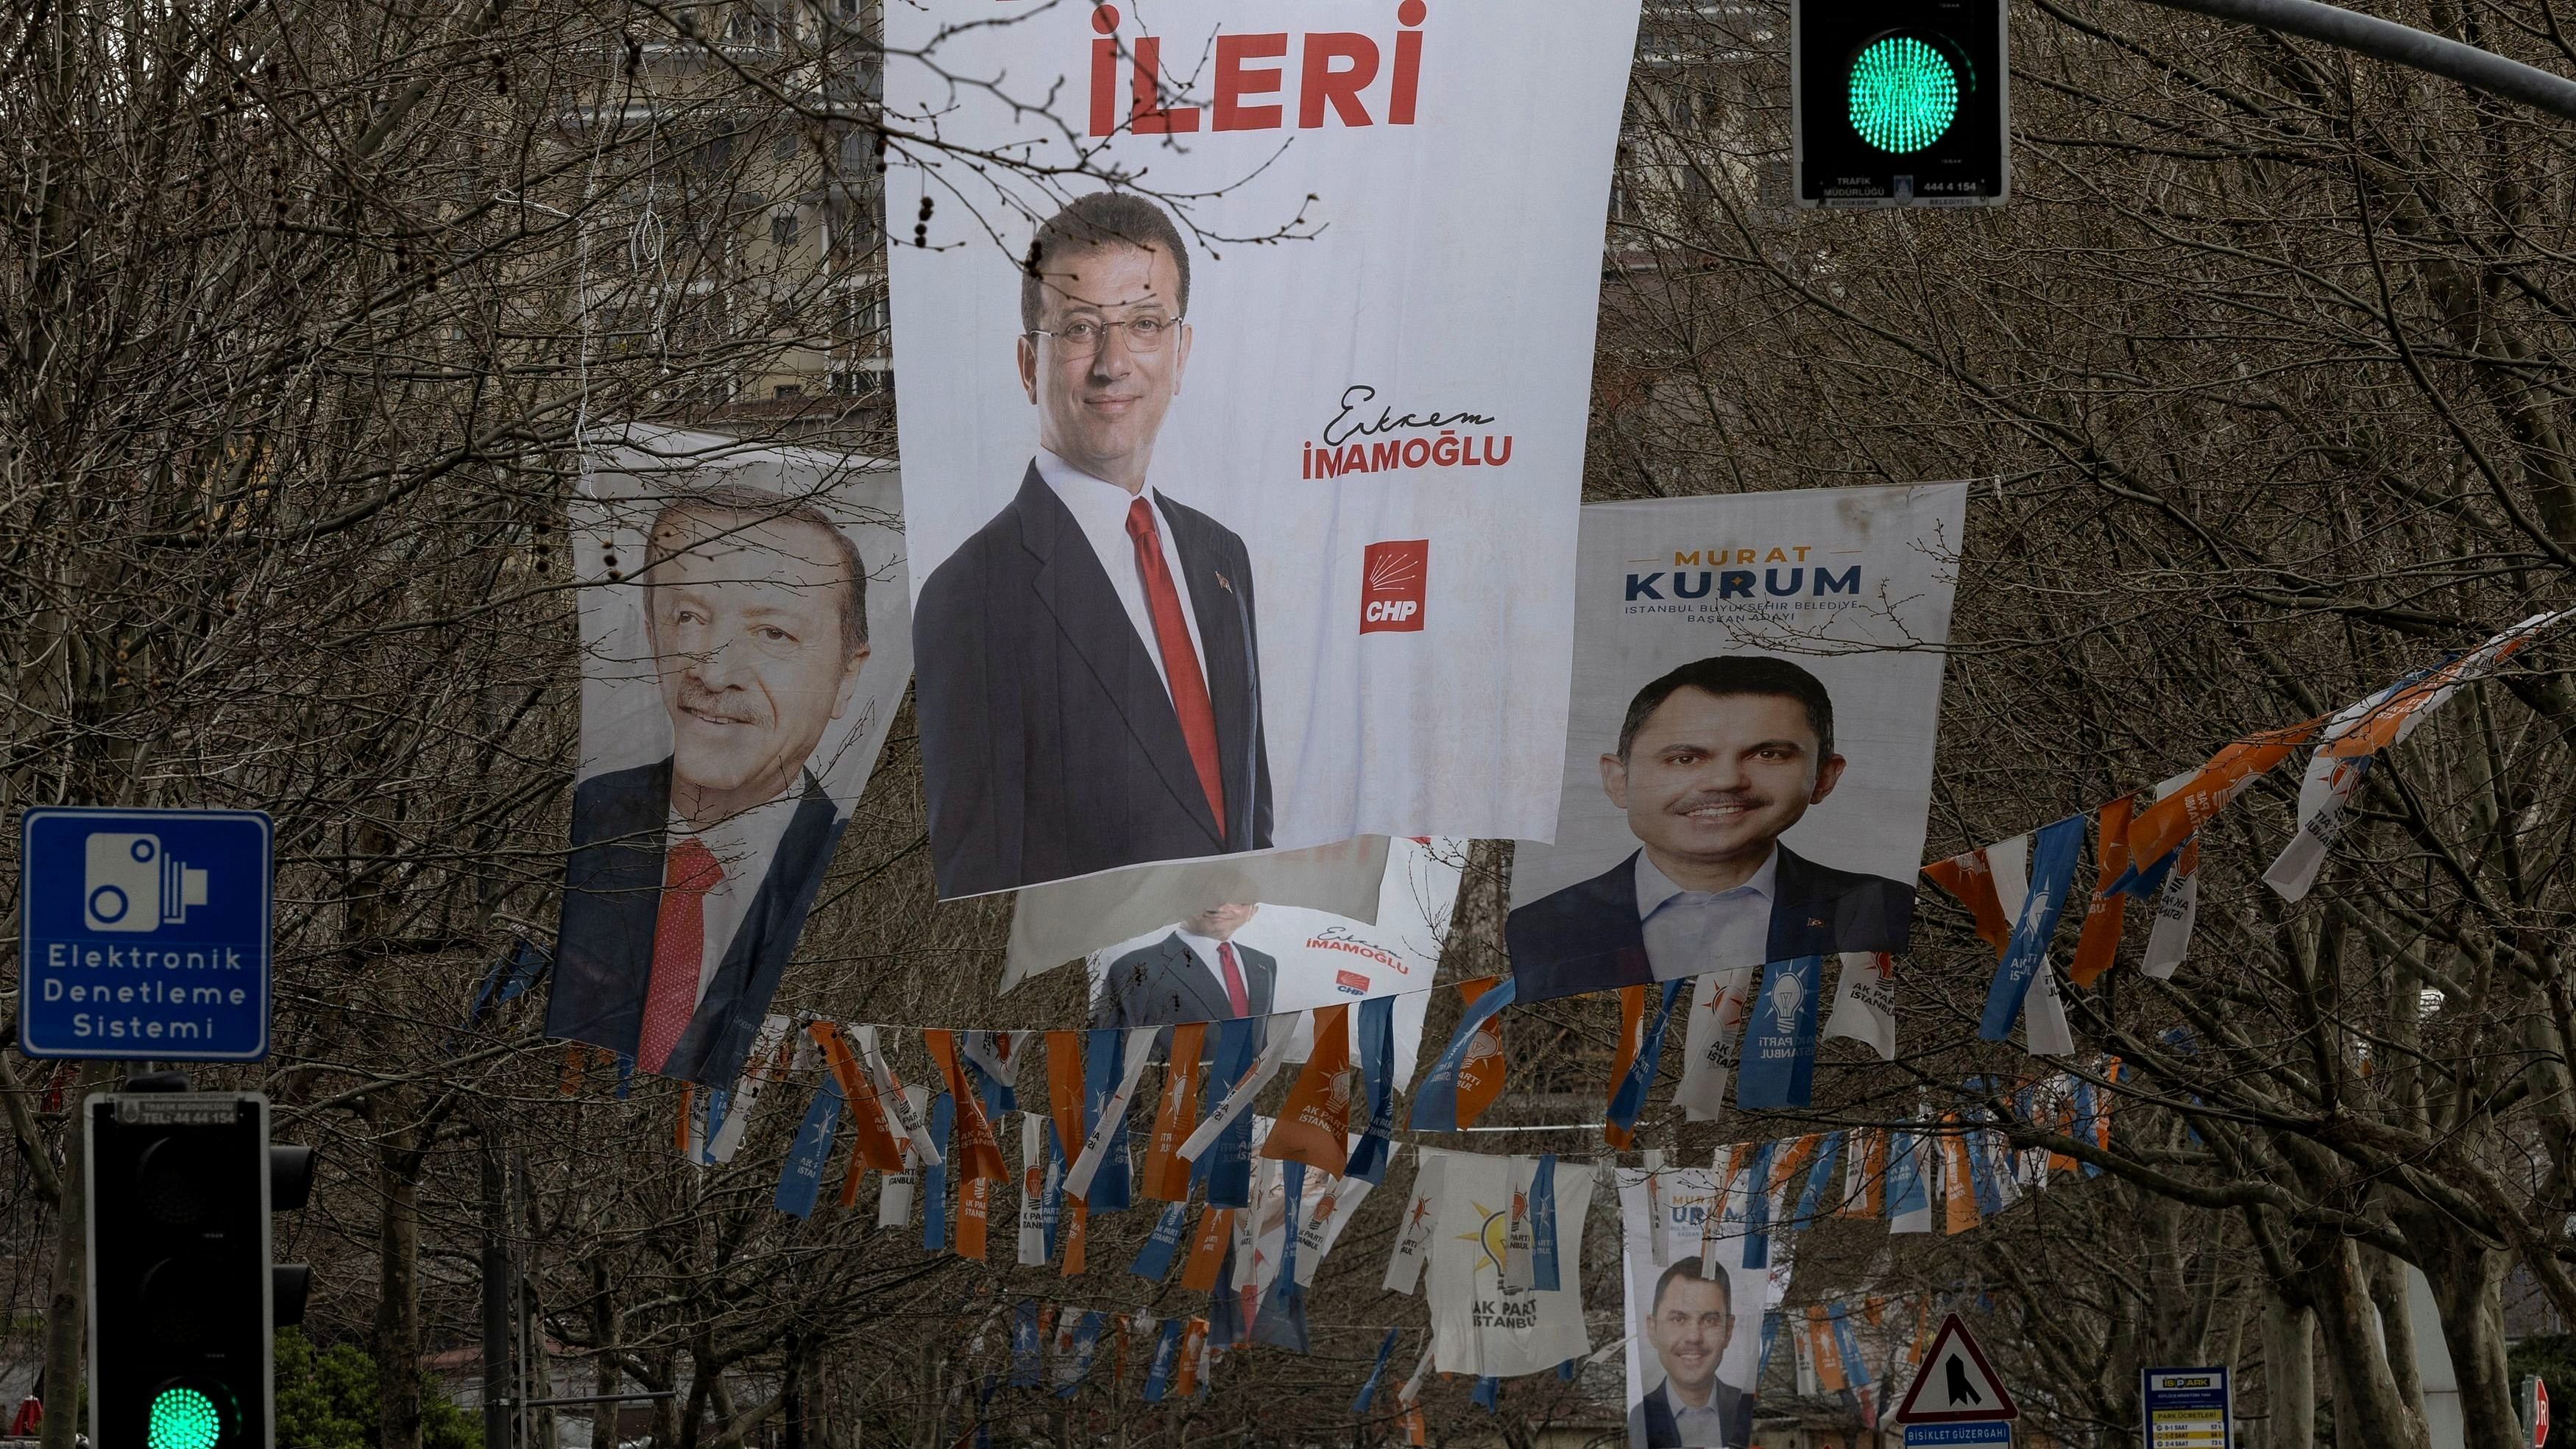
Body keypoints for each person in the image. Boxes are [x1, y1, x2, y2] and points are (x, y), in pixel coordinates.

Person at [913, 191, 1271, 899]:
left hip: (1233, 989)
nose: (1114, 364)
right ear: (1027, 363)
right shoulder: (972, 593)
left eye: (1143, 324)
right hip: (1088, 1001)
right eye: (1080, 328)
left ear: (1180, 350)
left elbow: (1248, 823)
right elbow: (977, 895)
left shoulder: (1219, 556)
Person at [550, 483, 871, 1084]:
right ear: (651, 634)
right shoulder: (564, 825)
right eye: (689, 619)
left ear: (847, 674)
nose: (715, 672)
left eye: (772, 633)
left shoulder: (871, 876)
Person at [1509, 656, 1912, 1000]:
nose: (1724, 781)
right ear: (1619, 780)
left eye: (1768, 754)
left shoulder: (1887, 911)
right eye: (1685, 759)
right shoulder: (1537, 930)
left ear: (1824, 778)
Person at [1629, 1258, 1755, 1448]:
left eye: (1709, 1320)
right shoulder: (1641, 1416)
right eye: (1678, 1319)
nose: (1694, 1337)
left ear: (1728, 1331)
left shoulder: (1747, 1410)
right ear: (1652, 1329)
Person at [1091, 902, 1278, 1028]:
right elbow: (1111, 1046)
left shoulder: (1263, 964)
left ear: (1253, 911)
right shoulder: (1133, 967)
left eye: (1238, 899)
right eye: (1204, 893)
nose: (1220, 906)